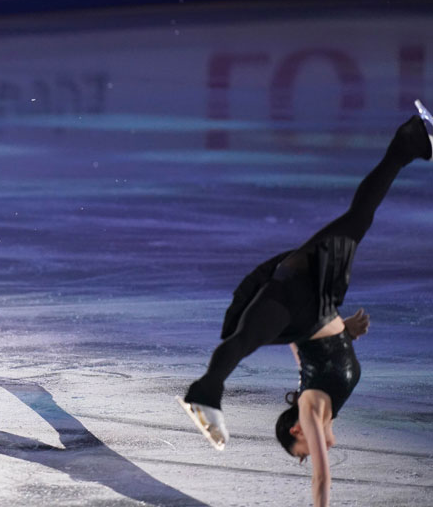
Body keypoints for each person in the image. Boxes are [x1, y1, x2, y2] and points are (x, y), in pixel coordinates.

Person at [179, 102, 433, 507]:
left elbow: (321, 482)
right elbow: (306, 347)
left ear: (298, 432)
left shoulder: (312, 408)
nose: (318, 450)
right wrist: (343, 329)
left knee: (359, 218)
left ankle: (410, 141)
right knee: (249, 335)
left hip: (302, 288)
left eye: (306, 451)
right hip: (309, 306)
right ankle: (410, 142)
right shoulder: (313, 390)